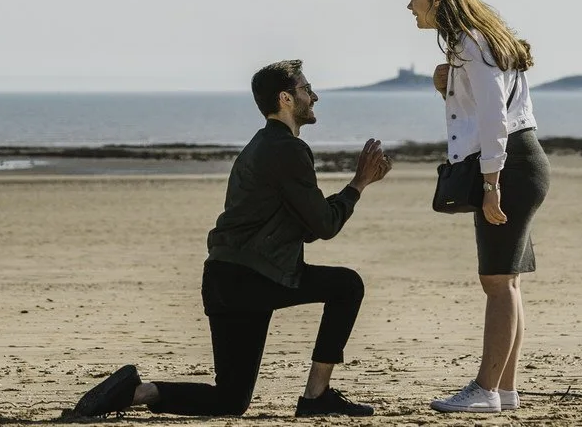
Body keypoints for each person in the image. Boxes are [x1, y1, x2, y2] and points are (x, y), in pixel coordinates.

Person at [68, 59, 393, 419]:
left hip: (226, 279)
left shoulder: (261, 146)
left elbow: (307, 227)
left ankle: (136, 392)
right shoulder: (287, 149)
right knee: (347, 286)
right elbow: (325, 226)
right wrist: (358, 184)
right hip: (254, 279)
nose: (313, 96)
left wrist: (346, 195)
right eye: (306, 89)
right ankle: (316, 397)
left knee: (229, 401)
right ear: (286, 98)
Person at [408, 0, 550, 414]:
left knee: (496, 281)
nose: (409, 4)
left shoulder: (471, 41)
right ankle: (504, 391)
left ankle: (485, 390)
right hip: (516, 162)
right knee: (505, 280)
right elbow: (477, 113)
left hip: (510, 166)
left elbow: (494, 119)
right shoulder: (471, 41)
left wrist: (491, 184)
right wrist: (444, 86)